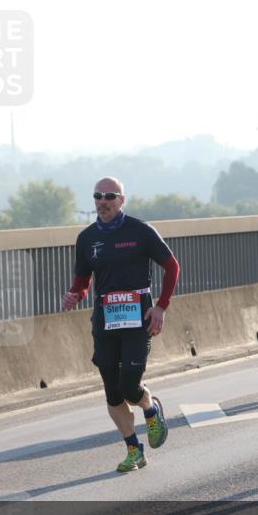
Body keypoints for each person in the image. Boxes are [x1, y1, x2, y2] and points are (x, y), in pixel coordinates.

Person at [61, 177, 180, 472]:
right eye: (98, 196)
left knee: (129, 385)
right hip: (105, 319)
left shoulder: (140, 231)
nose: (103, 201)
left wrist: (161, 306)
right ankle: (133, 450)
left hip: (138, 317)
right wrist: (75, 295)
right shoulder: (87, 239)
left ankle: (150, 408)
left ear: (122, 200)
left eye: (109, 196)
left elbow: (172, 266)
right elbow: (83, 280)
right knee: (112, 391)